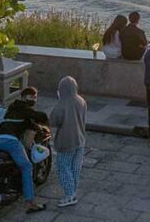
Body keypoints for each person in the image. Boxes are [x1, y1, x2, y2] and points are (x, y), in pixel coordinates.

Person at [0, 86, 50, 214]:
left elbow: (28, 122)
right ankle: (30, 203)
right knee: (27, 167)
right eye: (30, 96)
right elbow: (41, 116)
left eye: (35, 97)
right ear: (23, 97)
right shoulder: (24, 109)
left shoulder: (12, 108)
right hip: (9, 140)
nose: (33, 99)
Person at [49, 76, 87, 208]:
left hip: (66, 141)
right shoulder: (81, 100)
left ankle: (69, 195)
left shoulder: (62, 103)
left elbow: (53, 121)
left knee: (64, 167)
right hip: (80, 139)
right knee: (76, 167)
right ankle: (73, 191)